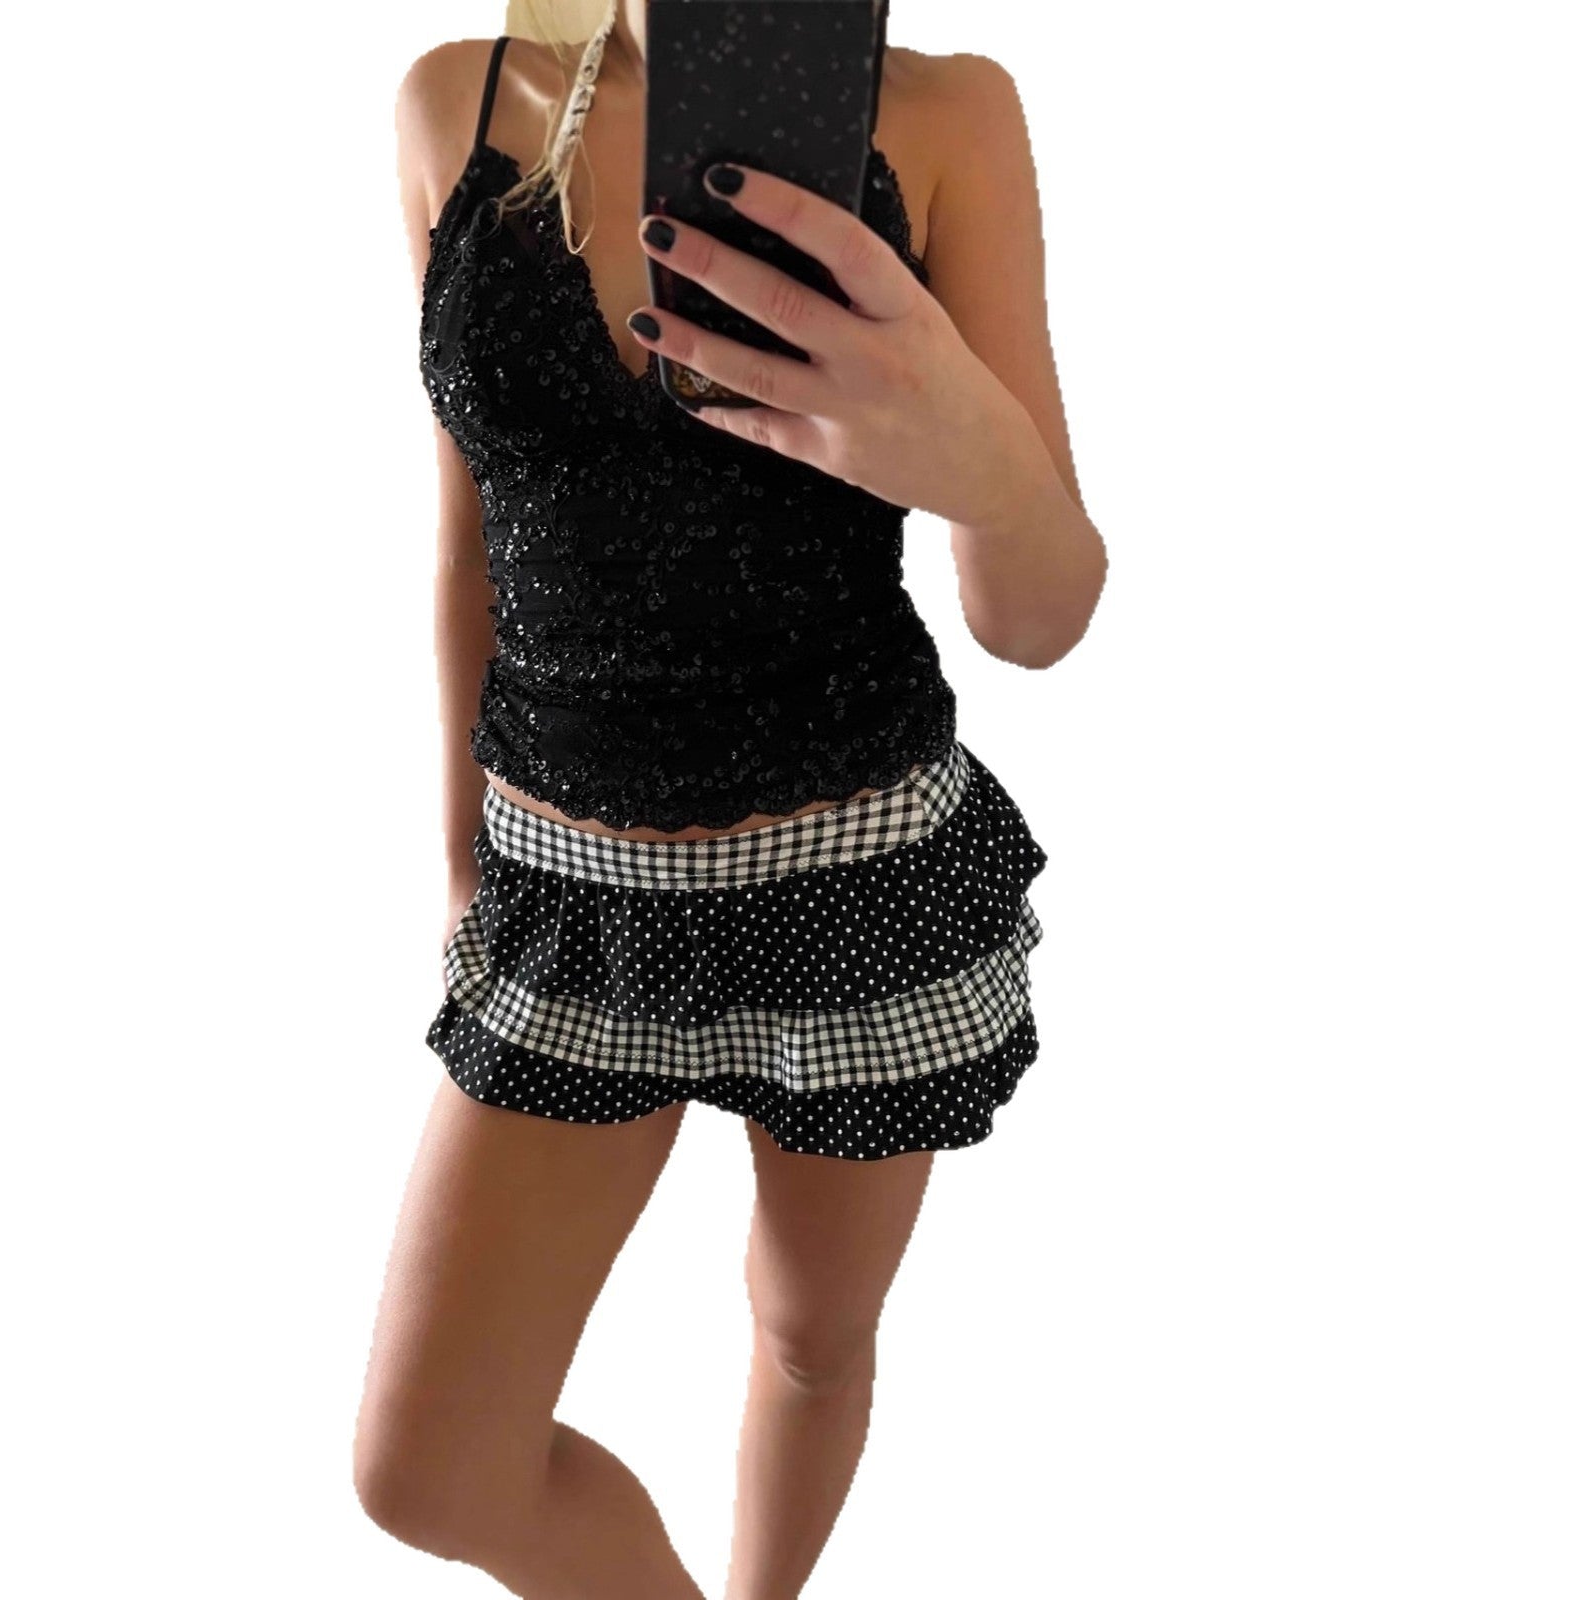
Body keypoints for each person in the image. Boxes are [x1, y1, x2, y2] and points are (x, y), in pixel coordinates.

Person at [355, 2, 1108, 1594]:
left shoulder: (944, 117)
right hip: (569, 903)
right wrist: (458, 858)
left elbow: (1039, 619)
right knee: (427, 1470)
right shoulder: (452, 104)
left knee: (811, 1339)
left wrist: (974, 453)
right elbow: (468, 532)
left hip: (861, 880)